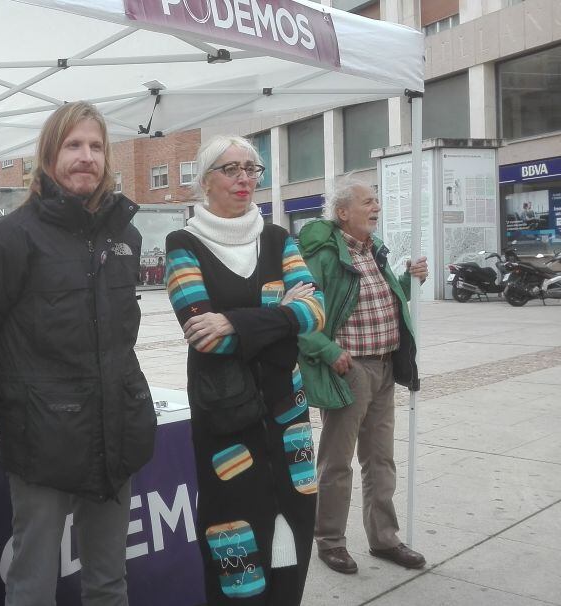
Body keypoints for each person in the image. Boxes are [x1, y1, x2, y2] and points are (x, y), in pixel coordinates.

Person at [0, 101, 156, 606]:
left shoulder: (124, 236)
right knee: (33, 581)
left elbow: (120, 340)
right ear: (48, 156)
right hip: (41, 440)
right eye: (73, 145)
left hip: (115, 433)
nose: (85, 156)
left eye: (95, 146)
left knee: (109, 581)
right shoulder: (4, 241)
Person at [163, 135, 325, 605]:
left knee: (293, 535)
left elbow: (314, 311)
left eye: (251, 169)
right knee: (235, 544)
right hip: (226, 421)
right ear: (206, 180)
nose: (244, 180)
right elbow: (202, 332)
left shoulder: (279, 239)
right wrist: (278, 319)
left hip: (287, 415)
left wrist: (234, 319)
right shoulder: (183, 244)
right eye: (230, 169)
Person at [297, 177, 429, 574]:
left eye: (376, 202)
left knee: (380, 460)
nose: (376, 208)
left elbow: (384, 297)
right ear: (343, 213)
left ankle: (384, 539)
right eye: (368, 202)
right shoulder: (322, 254)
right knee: (337, 463)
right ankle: (331, 541)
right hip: (349, 370)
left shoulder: (374, 250)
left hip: (386, 366)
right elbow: (300, 316)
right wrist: (329, 351)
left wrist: (409, 280)